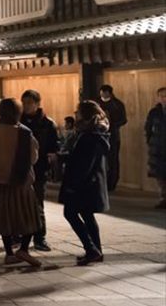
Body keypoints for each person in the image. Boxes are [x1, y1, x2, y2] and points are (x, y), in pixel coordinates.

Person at [0, 98, 43, 267]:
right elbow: (33, 157)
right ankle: (24, 249)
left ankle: (9, 253)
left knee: (5, 219)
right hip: (21, 182)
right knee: (30, 218)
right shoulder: (24, 132)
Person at [60, 100, 110, 265]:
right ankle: (96, 251)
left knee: (70, 213)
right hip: (90, 183)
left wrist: (73, 186)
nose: (75, 114)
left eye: (78, 112)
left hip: (84, 185)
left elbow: (84, 164)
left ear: (85, 115)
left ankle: (91, 249)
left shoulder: (90, 136)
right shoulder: (92, 133)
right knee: (87, 215)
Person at [20, 90, 59, 252]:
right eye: (24, 102)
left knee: (37, 204)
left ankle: (39, 237)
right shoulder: (17, 121)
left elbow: (53, 146)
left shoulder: (47, 124)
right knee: (20, 203)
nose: (26, 105)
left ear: (37, 104)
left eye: (30, 102)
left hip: (39, 169)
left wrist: (49, 163)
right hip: (20, 168)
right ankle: (19, 236)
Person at [99, 84, 127, 191]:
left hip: (113, 135)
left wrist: (112, 125)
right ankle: (101, 181)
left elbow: (124, 119)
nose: (102, 95)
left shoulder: (117, 104)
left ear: (109, 93)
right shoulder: (97, 103)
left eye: (104, 93)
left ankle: (112, 182)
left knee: (112, 159)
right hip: (99, 133)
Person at [144, 88, 166, 209]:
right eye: (161, 96)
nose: (164, 99)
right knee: (160, 175)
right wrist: (150, 141)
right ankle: (163, 198)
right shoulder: (154, 112)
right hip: (158, 147)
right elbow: (148, 128)